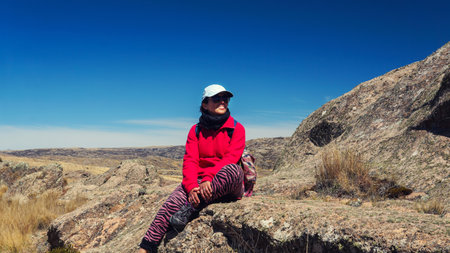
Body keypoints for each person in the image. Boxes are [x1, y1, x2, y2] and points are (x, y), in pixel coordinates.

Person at [138, 84, 245, 253]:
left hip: (224, 182)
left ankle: (191, 208)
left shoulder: (236, 129)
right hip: (200, 182)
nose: (223, 102)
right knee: (169, 205)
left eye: (226, 98)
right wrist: (191, 187)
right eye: (217, 99)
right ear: (205, 104)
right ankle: (146, 248)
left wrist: (209, 177)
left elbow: (230, 158)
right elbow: (190, 160)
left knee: (233, 170)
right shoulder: (195, 130)